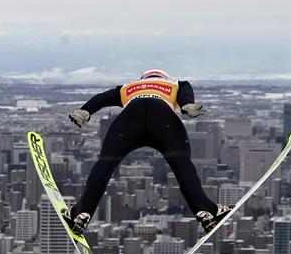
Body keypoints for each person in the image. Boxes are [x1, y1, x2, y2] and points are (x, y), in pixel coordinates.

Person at [64, 68, 231, 235]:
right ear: (164, 77)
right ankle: (206, 211)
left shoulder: (129, 87)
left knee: (105, 164)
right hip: (163, 119)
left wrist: (85, 110)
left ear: (143, 78)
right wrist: (187, 105)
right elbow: (185, 96)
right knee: (182, 165)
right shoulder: (175, 84)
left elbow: (102, 98)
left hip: (130, 119)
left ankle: (81, 212)